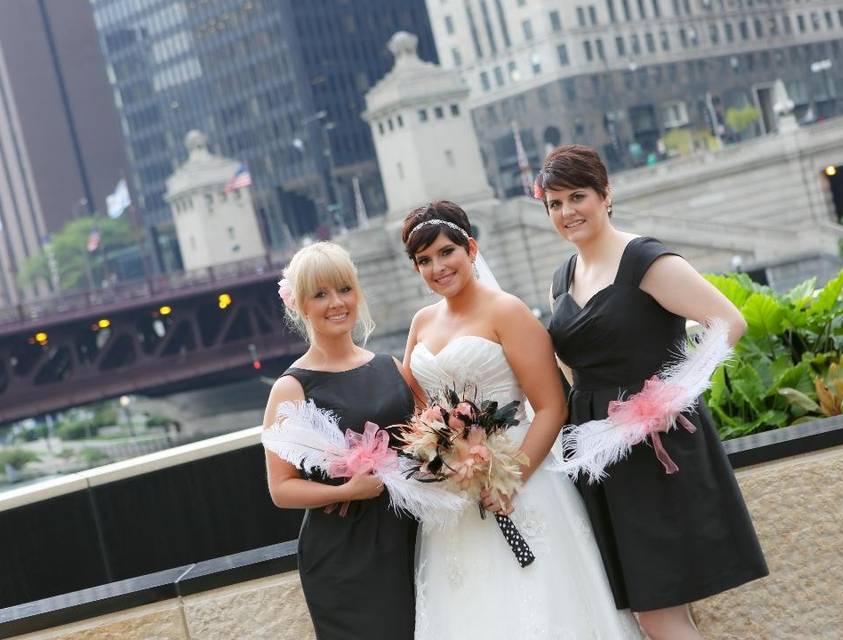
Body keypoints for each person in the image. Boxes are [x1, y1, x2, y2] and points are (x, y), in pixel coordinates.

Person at [540, 144, 769, 640]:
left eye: (577, 197)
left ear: (605, 194)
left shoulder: (646, 259)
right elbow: (569, 365)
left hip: (654, 446)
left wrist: (671, 397)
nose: (566, 212)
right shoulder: (561, 279)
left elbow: (729, 322)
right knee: (645, 611)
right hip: (597, 450)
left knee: (659, 613)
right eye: (554, 203)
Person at [401, 201, 643, 639]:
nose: (437, 267)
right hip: (454, 500)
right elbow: (420, 408)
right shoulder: (421, 322)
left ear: (470, 248)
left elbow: (552, 406)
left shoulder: (507, 312)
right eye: (424, 260)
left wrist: (509, 478)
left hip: (521, 480)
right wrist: (440, 454)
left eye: (446, 252)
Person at [261, 242, 417, 640]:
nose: (337, 303)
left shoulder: (390, 366)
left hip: (413, 536)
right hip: (345, 557)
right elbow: (281, 488)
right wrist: (348, 490)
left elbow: (427, 438)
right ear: (300, 305)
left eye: (344, 289)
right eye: (320, 294)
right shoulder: (291, 388)